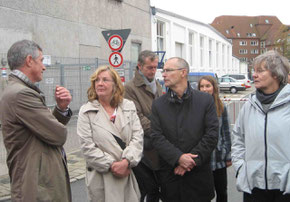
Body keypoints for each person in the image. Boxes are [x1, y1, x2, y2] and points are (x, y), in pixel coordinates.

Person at [0, 40, 72, 201]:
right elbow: (58, 134)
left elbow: (43, 130)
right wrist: (57, 123)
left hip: (39, 183)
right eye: (41, 61)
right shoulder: (21, 94)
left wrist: (61, 109)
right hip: (37, 187)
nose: (44, 67)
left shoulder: (20, 91)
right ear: (29, 60)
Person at [150, 57, 219, 202]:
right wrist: (178, 158)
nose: (163, 74)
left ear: (183, 72)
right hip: (172, 179)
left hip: (198, 179)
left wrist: (189, 161)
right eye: (163, 71)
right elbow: (156, 136)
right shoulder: (158, 105)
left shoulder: (205, 101)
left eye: (168, 70)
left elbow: (211, 135)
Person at [77, 65, 144, 202]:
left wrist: (126, 161)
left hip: (126, 174)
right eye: (97, 80)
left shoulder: (128, 106)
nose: (100, 83)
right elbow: (87, 147)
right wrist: (112, 165)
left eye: (105, 80)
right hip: (101, 177)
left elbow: (138, 137)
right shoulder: (86, 111)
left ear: (115, 85)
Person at [231, 50, 290, 202]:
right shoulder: (249, 105)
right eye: (253, 71)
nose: (254, 75)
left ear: (276, 74)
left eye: (260, 71)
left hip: (285, 187)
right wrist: (240, 169)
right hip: (254, 185)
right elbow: (238, 138)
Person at [124, 50, 163, 202]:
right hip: (142, 148)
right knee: (143, 189)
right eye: (149, 67)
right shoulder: (130, 88)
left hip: (157, 146)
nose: (153, 71)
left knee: (156, 189)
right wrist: (160, 130)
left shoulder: (157, 85)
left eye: (155, 67)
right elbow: (137, 118)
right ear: (139, 66)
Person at [198, 75, 232, 202]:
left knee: (222, 192)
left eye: (208, 86)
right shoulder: (195, 108)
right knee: (203, 194)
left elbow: (226, 133)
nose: (205, 89)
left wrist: (228, 155)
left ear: (214, 88)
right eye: (202, 86)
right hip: (201, 159)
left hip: (218, 158)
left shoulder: (221, 107)